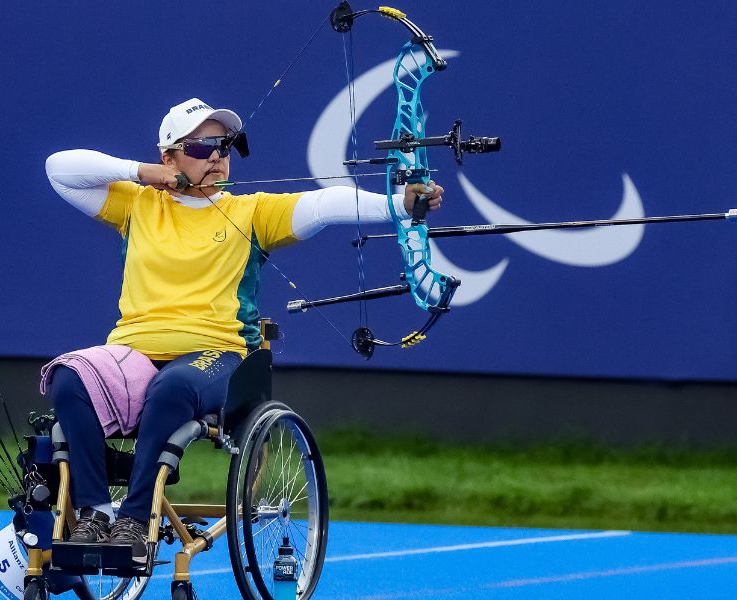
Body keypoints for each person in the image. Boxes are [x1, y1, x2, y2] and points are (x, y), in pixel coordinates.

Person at [43, 97, 444, 563]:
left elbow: (327, 204)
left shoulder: (251, 212)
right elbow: (59, 169)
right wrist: (142, 173)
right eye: (201, 146)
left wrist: (400, 203)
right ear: (168, 157)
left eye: (226, 145)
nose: (217, 155)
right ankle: (94, 515)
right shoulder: (137, 204)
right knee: (70, 377)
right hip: (133, 351)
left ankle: (134, 520)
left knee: (172, 388)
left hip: (217, 354)